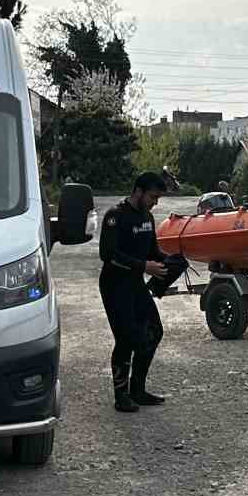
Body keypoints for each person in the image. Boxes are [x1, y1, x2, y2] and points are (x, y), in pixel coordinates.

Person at [99, 171, 171, 413]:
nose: (155, 202)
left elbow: (152, 252)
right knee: (126, 338)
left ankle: (137, 390)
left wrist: (172, 261)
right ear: (138, 191)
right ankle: (121, 396)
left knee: (153, 331)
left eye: (158, 198)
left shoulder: (147, 217)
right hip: (114, 284)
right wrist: (144, 266)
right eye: (153, 196)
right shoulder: (115, 216)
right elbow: (108, 255)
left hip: (135, 284)